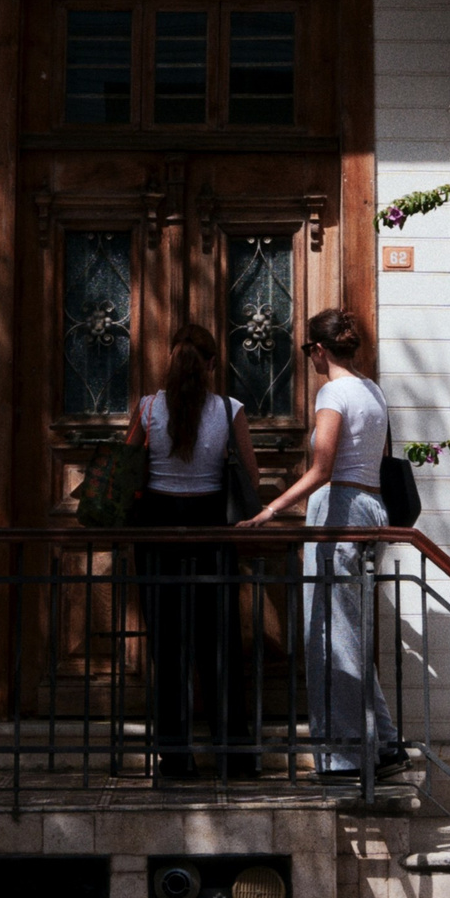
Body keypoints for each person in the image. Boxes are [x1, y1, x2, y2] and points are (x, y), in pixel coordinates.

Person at [239, 307, 404, 782]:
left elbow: (323, 467)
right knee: (352, 633)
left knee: (330, 637)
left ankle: (345, 758)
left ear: (317, 349)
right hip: (370, 509)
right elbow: (380, 458)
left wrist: (271, 510)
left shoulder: (333, 391)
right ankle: (386, 745)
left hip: (340, 512)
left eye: (307, 350)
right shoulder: (373, 390)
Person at [126, 324, 260, 779]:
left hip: (157, 533)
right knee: (219, 644)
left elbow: (126, 474)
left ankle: (175, 757)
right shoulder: (228, 408)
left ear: (171, 358)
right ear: (211, 364)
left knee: (167, 648)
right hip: (211, 533)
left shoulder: (147, 408)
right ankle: (235, 754)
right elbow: (253, 478)